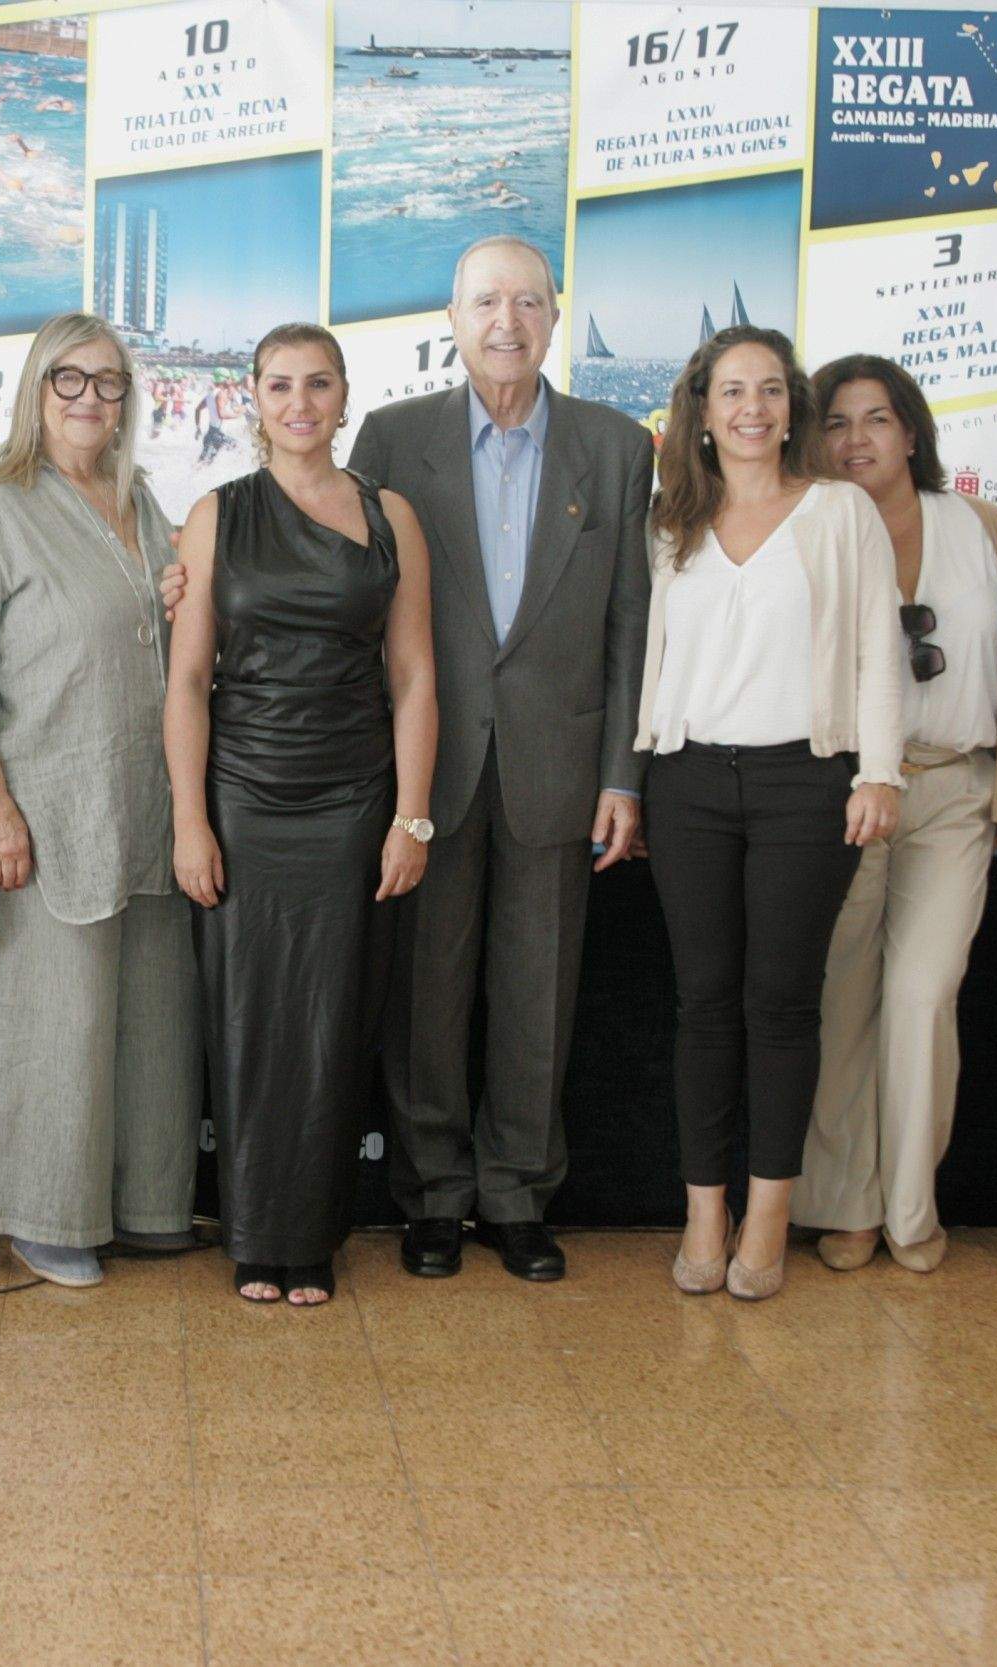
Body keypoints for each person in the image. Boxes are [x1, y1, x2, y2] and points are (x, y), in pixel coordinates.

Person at [347, 234, 655, 1283]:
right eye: (485, 301)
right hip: (428, 771)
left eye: (527, 301)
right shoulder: (389, 440)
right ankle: (432, 1196)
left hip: (560, 770)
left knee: (540, 994)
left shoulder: (616, 447)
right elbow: (344, 598)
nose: (506, 322)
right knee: (425, 996)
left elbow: (630, 622)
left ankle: (518, 1195)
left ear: (554, 315)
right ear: (452, 317)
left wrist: (623, 773)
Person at [0, 313, 200, 1288]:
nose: (90, 398)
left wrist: (173, 594)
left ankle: (144, 1203)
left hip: (144, 805)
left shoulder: (145, 503)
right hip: (39, 811)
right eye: (68, 379)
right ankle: (44, 1215)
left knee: (149, 1021)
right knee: (58, 1021)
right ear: (36, 391)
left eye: (110, 381)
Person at [165, 322, 437, 1307]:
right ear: (251, 398)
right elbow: (188, 679)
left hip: (352, 795)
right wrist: (189, 820)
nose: (299, 403)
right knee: (245, 1018)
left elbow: (412, 676)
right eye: (279, 385)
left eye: (317, 384)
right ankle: (253, 1232)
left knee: (329, 1016)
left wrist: (411, 817)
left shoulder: (390, 514)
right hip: (241, 791)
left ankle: (309, 1234)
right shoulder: (216, 513)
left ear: (343, 395)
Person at [635, 325, 902, 1302]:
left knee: (781, 1007)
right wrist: (629, 780)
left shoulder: (838, 512)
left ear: (791, 406)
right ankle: (704, 1212)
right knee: (703, 1006)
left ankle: (767, 1216)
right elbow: (651, 663)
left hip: (807, 783)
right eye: (731, 391)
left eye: (770, 391)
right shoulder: (670, 522)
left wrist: (879, 774)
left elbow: (879, 649)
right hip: (690, 783)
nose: (752, 408)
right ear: (698, 412)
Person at [793, 356, 997, 1274]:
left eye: (878, 419)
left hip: (954, 791)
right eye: (837, 422)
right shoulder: (810, 527)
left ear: (912, 431)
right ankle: (845, 1206)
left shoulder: (981, 527)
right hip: (845, 794)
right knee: (842, 997)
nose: (858, 439)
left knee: (921, 993)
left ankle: (910, 1208)